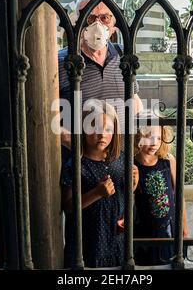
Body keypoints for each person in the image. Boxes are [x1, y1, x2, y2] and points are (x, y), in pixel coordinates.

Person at [58, 0, 144, 155]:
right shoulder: (60, 62)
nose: (97, 24)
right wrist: (73, 144)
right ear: (77, 21)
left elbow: (134, 100)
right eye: (89, 17)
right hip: (80, 163)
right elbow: (47, 113)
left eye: (105, 17)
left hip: (121, 156)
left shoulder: (122, 55)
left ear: (113, 23)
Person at [61, 100, 139, 268]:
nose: (102, 134)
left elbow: (125, 196)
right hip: (88, 241)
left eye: (108, 129)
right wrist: (96, 193)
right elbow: (68, 206)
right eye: (94, 128)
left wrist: (133, 185)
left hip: (115, 238)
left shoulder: (121, 159)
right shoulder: (75, 165)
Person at [133, 125, 188, 265]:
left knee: (169, 262)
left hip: (168, 228)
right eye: (149, 137)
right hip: (143, 230)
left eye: (158, 137)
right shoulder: (131, 164)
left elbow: (180, 196)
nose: (154, 142)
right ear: (137, 136)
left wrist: (184, 226)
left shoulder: (168, 160)